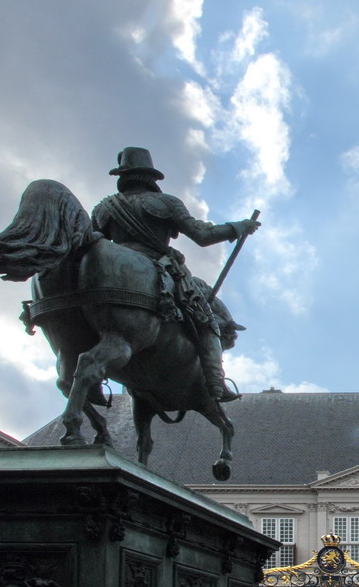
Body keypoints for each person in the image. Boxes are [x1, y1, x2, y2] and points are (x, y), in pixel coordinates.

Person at [91, 147, 260, 402]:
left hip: (109, 273)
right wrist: (239, 227)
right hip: (159, 267)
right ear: (151, 177)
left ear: (122, 177)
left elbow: (95, 249)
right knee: (206, 317)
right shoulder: (166, 203)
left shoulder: (104, 208)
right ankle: (215, 381)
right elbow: (203, 236)